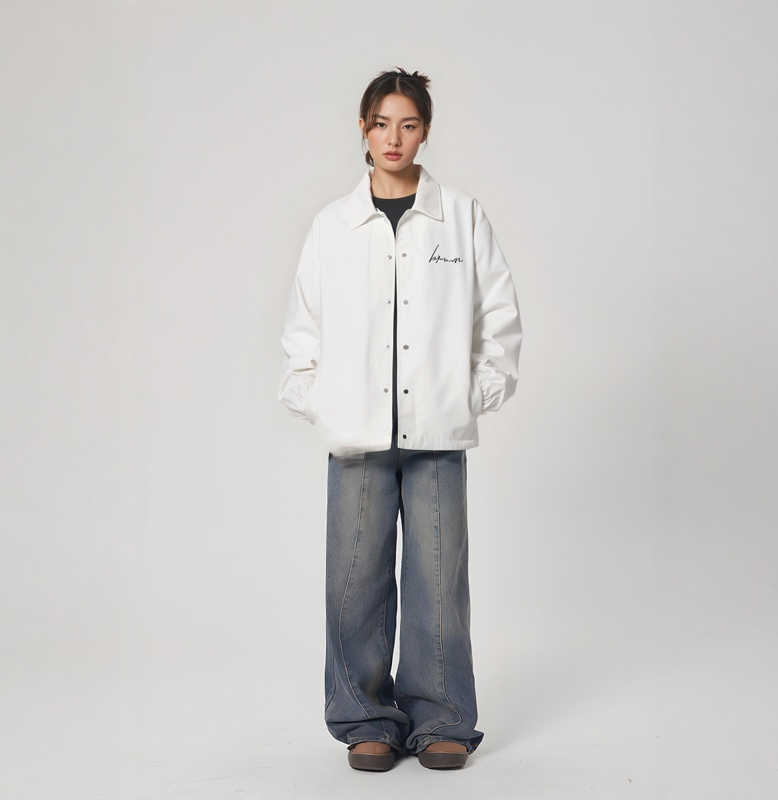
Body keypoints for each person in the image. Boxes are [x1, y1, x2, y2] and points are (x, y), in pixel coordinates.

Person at [277, 67, 522, 772]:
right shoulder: (334, 225)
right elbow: (303, 334)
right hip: (356, 436)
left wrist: (470, 394)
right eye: (382, 123)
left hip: (437, 432)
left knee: (438, 579)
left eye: (408, 124)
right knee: (354, 578)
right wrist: (323, 403)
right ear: (363, 128)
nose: (394, 138)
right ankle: (366, 718)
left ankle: (442, 717)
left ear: (425, 131)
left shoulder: (461, 217)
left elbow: (498, 318)